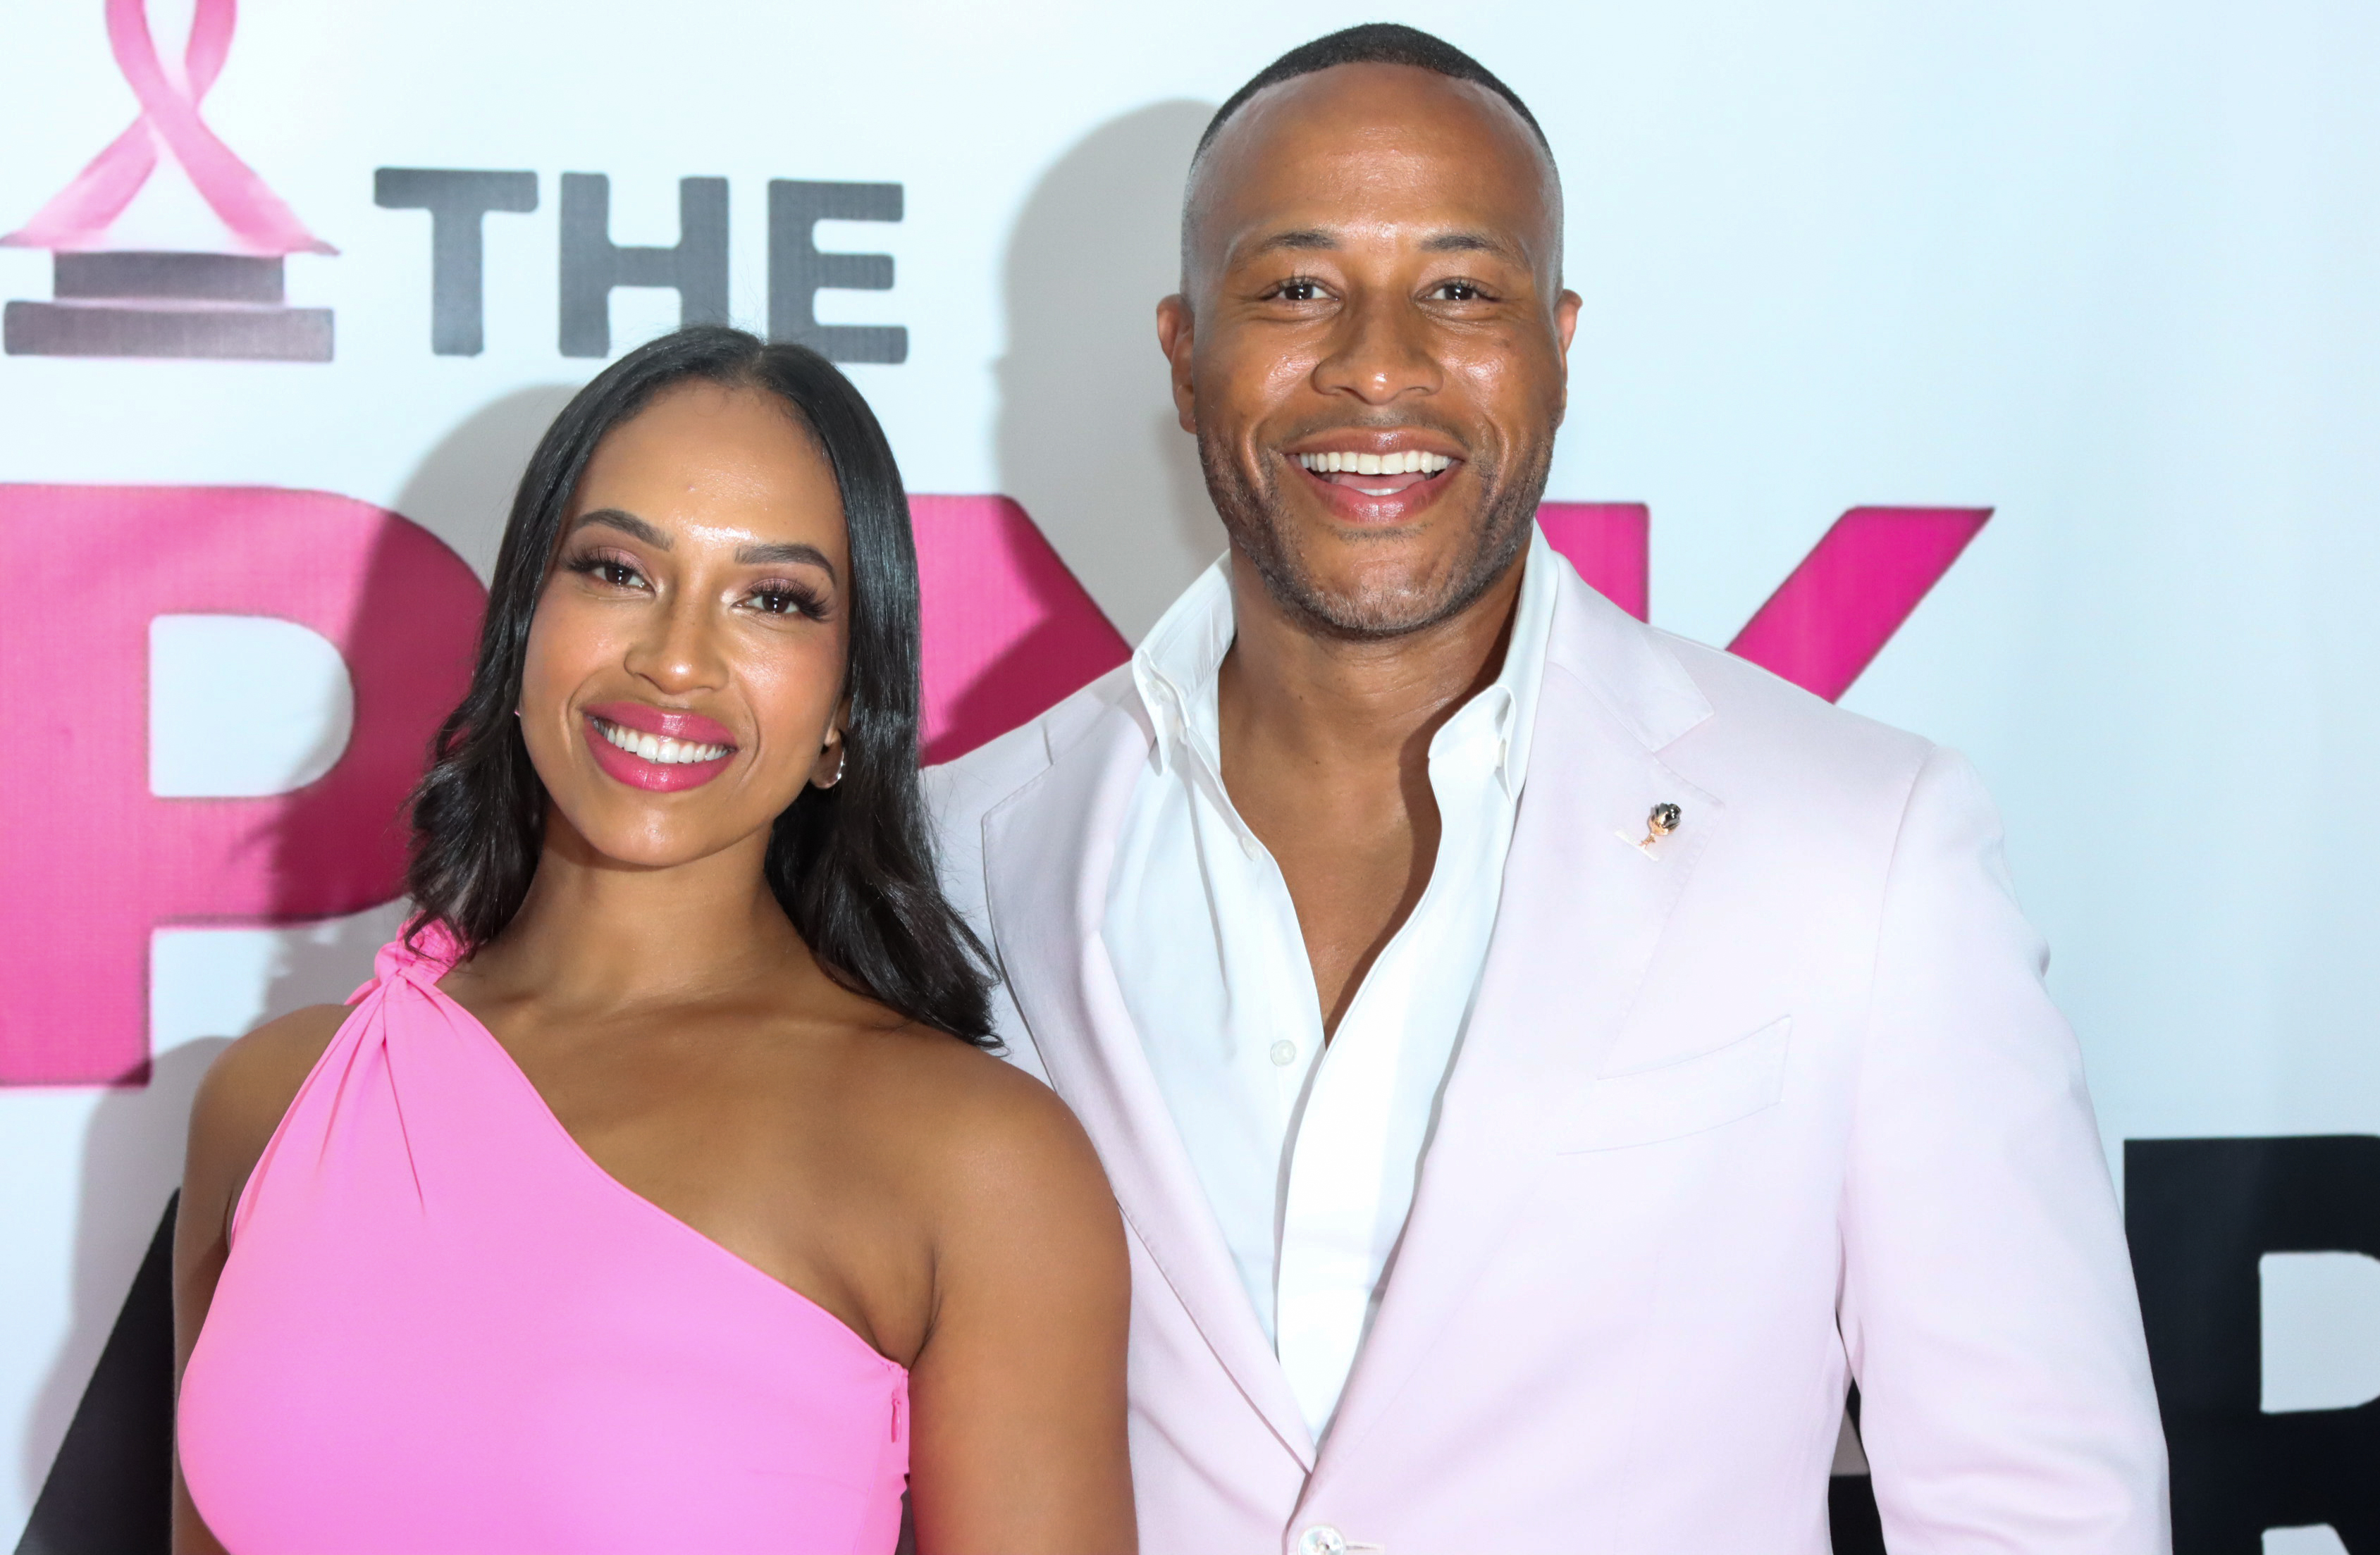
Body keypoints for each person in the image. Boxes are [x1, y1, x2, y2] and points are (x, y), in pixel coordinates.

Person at [927, 23, 2169, 1554]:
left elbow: (2035, 1507)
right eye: (1296, 288)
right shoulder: (967, 854)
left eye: (1460, 291)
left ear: (1558, 345)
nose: (1378, 364)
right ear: (1185, 356)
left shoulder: (1863, 847)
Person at [172, 327, 1134, 1555]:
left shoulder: (977, 1165)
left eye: (773, 600)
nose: (675, 659)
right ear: (524, 620)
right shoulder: (274, 1100)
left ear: (848, 705)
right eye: (618, 570)